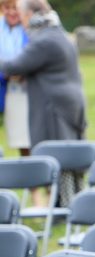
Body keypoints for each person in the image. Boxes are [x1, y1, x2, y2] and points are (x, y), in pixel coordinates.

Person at [0, 0, 85, 148]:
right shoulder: (56, 33)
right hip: (66, 103)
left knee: (57, 155)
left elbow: (14, 67)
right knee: (69, 154)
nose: (21, 19)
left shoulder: (44, 41)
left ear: (30, 14)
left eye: (21, 14)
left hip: (55, 107)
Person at [1, 0, 29, 156]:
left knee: (25, 137)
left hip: (24, 88)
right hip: (4, 85)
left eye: (15, 8)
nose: (11, 12)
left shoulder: (29, 29)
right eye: (7, 8)